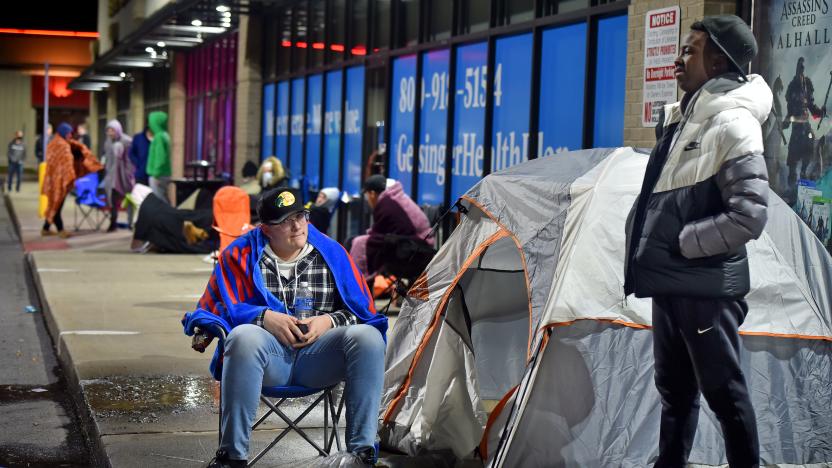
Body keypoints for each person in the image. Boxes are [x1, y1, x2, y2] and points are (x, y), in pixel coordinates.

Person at [623, 16, 771, 467]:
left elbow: (749, 215)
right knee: (675, 394)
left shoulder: (734, 123)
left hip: (703, 287)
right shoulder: (684, 119)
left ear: (717, 61)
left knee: (725, 394)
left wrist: (684, 244)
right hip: (672, 282)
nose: (677, 58)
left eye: (689, 50)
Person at [182, 187, 387, 468]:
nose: (298, 225)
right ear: (266, 228)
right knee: (243, 336)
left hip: (319, 359)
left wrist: (328, 321)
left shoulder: (330, 253)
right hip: (269, 361)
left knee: (368, 338)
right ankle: (232, 458)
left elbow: (362, 311)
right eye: (286, 220)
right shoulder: (238, 256)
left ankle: (361, 455)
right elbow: (216, 307)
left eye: (301, 216)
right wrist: (263, 317)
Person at [349, 175, 435, 279]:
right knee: (358, 241)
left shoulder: (387, 204)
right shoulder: (392, 199)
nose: (368, 200)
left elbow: (379, 233)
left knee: (358, 243)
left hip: (414, 250)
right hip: (417, 245)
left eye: (367, 195)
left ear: (372, 194)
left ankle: (357, 280)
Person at [41, 122, 103, 238]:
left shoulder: (54, 143)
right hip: (59, 180)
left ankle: (46, 228)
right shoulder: (62, 146)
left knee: (54, 204)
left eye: (70, 133)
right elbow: (66, 164)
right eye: (68, 133)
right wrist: (71, 178)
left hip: (53, 179)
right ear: (63, 133)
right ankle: (60, 230)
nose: (70, 135)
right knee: (57, 204)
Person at [102, 120, 135, 231]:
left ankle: (131, 222)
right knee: (113, 199)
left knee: (129, 198)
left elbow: (131, 159)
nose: (110, 133)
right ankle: (113, 223)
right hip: (113, 176)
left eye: (112, 130)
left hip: (125, 175)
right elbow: (108, 159)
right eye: (108, 130)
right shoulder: (108, 142)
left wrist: (129, 173)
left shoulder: (127, 141)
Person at [146, 111, 171, 204]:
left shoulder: (159, 137)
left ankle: (167, 217)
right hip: (163, 173)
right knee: (163, 197)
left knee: (159, 200)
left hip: (158, 174)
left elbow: (160, 157)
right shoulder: (164, 135)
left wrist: (156, 174)